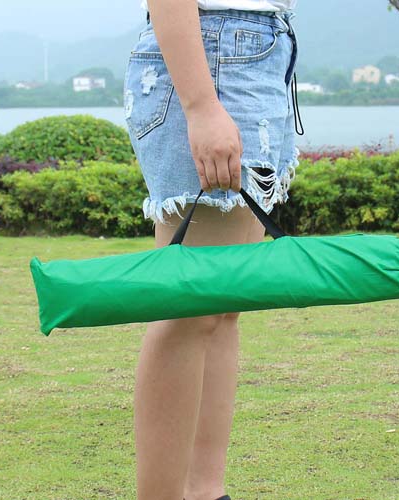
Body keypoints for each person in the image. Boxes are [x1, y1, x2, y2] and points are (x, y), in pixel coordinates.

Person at [123, 1, 303, 499]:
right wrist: (202, 106)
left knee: (221, 308)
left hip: (255, 55)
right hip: (215, 55)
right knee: (189, 309)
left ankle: (206, 491)